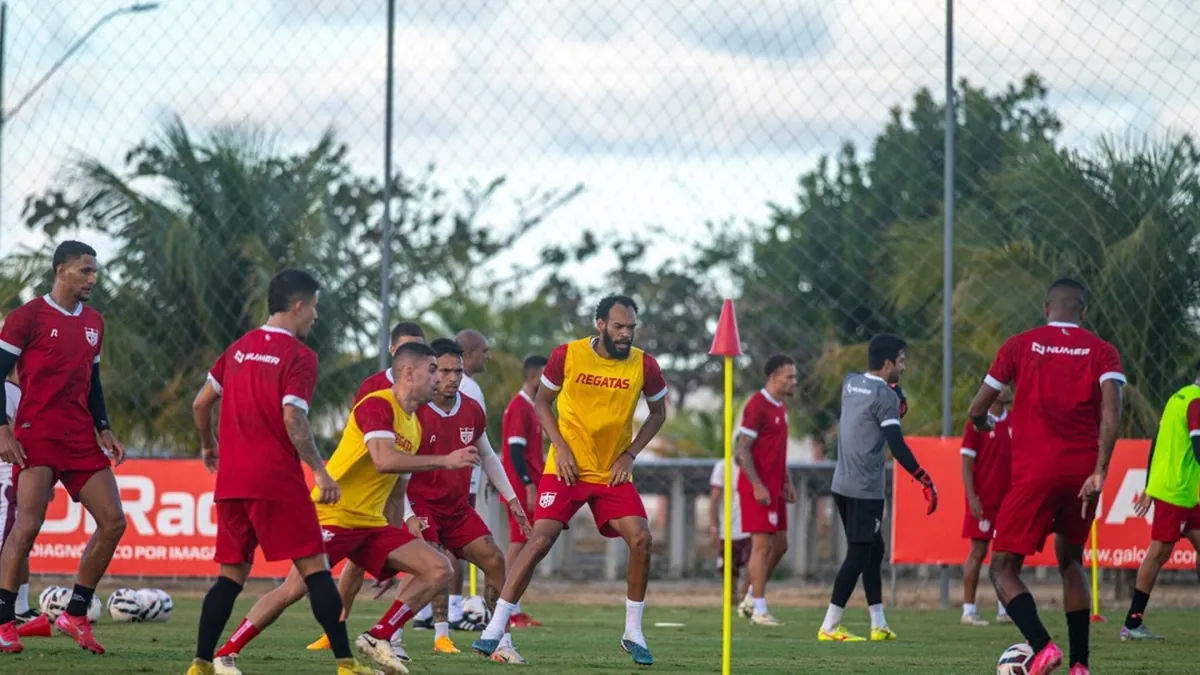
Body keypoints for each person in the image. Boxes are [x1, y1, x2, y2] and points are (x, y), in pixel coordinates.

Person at [211, 342, 479, 675]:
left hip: (369, 524)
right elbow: (383, 461)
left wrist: (395, 548)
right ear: (409, 373)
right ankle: (224, 654)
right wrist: (446, 460)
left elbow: (396, 492)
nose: (440, 378)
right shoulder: (376, 405)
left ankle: (378, 637)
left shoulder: (414, 424)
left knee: (439, 568)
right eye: (433, 370)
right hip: (332, 516)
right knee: (293, 589)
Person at [187, 269, 376, 675]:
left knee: (230, 577)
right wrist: (320, 472)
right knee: (316, 571)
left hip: (232, 482)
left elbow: (201, 404)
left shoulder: (237, 349)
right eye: (314, 308)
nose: (315, 317)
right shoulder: (299, 356)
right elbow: (294, 417)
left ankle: (201, 663)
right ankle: (346, 663)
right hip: (276, 481)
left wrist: (208, 445)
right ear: (298, 306)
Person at [473, 295, 668, 666]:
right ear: (599, 324)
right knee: (539, 540)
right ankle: (496, 626)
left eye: (630, 328)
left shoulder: (645, 365)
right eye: (618, 326)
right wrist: (559, 447)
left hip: (611, 471)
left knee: (642, 539)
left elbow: (659, 413)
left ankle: (633, 631)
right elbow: (542, 402)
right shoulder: (567, 355)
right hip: (566, 470)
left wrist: (630, 454)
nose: (625, 334)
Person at [967, 278, 1124, 675]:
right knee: (1071, 561)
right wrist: (1101, 470)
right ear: (1083, 312)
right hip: (1083, 474)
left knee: (1001, 566)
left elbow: (977, 407)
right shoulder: (1103, 352)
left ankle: (1041, 647)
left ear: (1046, 307)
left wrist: (981, 421)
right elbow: (1111, 413)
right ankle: (1080, 665)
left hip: (1035, 472)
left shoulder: (1020, 344)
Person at [0, 241, 127, 656]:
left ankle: (74, 612)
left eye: (94, 272)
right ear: (61, 271)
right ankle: (4, 621)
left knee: (113, 521)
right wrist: (3, 431)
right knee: (29, 525)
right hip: (37, 435)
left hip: (79, 438)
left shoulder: (94, 322)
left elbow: (94, 382)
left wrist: (104, 428)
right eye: (85, 271)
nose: (93, 279)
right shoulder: (27, 317)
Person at [306, 320, 426, 655]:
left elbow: (408, 455)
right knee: (346, 569)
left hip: (397, 488)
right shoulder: (374, 390)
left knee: (431, 565)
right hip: (360, 496)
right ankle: (337, 630)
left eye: (418, 347)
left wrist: (405, 512)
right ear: (395, 354)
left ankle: (390, 636)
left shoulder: (422, 397)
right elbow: (374, 451)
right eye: (406, 348)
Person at [406, 338, 530, 655]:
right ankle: (398, 638)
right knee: (430, 567)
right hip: (422, 505)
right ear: (431, 371)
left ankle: (500, 640)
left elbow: (488, 456)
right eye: (444, 370)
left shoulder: (471, 409)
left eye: (457, 371)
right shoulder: (414, 409)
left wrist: (513, 499)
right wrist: (407, 514)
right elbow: (398, 470)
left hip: (457, 507)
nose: (452, 378)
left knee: (494, 559)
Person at [818, 333, 937, 643]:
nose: (904, 366)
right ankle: (830, 626)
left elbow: (883, 394)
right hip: (864, 487)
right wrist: (923, 476)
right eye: (901, 361)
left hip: (842, 483)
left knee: (874, 550)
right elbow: (896, 444)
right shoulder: (885, 397)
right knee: (858, 554)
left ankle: (878, 623)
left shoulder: (850, 382)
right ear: (888, 364)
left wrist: (896, 395)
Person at [1120, 361, 1200, 641]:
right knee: (1158, 554)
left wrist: (1149, 486)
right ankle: (1132, 623)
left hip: (1183, 492)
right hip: (1175, 492)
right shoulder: (1196, 403)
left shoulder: (1178, 398)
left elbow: (1157, 442)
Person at [733, 354, 798, 626]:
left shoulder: (781, 407)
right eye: (790, 377)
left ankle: (751, 595)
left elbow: (777, 452)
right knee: (760, 548)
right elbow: (741, 448)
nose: (794, 381)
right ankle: (758, 609)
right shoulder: (757, 405)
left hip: (774, 488)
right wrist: (757, 485)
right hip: (757, 489)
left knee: (781, 545)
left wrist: (787, 481)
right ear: (773, 377)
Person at [960, 385, 1014, 627]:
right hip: (983, 500)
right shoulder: (976, 422)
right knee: (978, 552)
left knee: (1005, 555)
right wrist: (972, 497)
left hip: (1009, 501)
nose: (1007, 389)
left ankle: (1005, 609)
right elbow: (966, 462)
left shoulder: (1015, 421)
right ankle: (968, 610)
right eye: (1002, 385)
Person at [501, 354, 549, 628]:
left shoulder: (532, 406)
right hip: (521, 486)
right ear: (533, 376)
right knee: (519, 545)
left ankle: (512, 607)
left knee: (526, 544)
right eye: (545, 374)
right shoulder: (519, 406)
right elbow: (516, 451)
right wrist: (527, 484)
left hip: (529, 483)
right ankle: (508, 609)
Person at [0, 367, 40, 631]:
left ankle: (20, 607)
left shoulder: (17, 391)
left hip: (18, 474)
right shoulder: (11, 391)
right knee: (13, 536)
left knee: (20, 536)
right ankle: (14, 609)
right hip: (8, 475)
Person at [709, 458, 751, 609]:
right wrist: (714, 526)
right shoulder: (722, 466)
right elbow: (714, 498)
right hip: (727, 527)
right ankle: (731, 599)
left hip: (749, 526)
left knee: (751, 566)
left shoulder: (754, 464)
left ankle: (745, 600)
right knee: (728, 568)